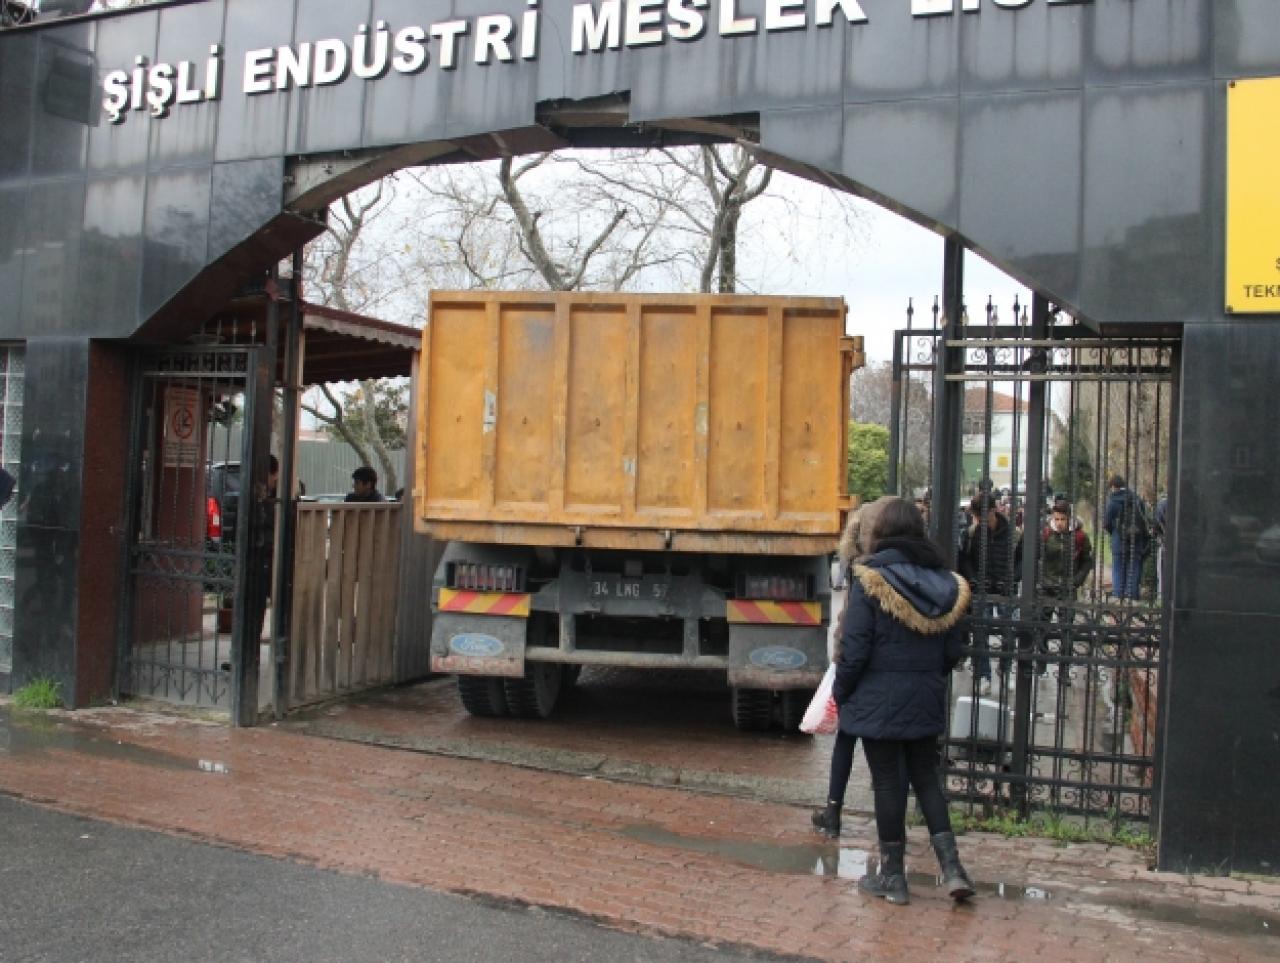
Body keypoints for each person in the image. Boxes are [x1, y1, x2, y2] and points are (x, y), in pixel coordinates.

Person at [834, 497, 974, 905]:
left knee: (888, 782)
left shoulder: (869, 579)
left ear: (881, 534)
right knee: (926, 777)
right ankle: (953, 869)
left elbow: (854, 650)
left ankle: (893, 876)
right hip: (925, 695)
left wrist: (842, 692)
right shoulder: (947, 583)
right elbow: (953, 652)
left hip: (878, 696)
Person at [811, 496, 894, 838]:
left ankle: (833, 811)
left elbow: (849, 626)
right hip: (887, 670)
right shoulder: (890, 568)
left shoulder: (859, 568)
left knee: (846, 740)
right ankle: (888, 818)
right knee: (887, 753)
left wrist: (841, 670)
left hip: (856, 663)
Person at [957, 492, 1022, 694]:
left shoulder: (1014, 533)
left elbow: (1023, 561)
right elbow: (965, 560)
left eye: (983, 516)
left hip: (1005, 588)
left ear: (994, 510)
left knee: (1009, 632)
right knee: (980, 631)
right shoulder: (971, 533)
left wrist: (1013, 578)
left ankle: (1005, 669)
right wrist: (974, 578)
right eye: (977, 517)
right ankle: (983, 674)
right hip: (982, 590)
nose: (980, 521)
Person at [1036, 500, 1093, 679]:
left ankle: (1064, 671)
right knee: (1043, 627)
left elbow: (1086, 561)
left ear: (1069, 519)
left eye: (1063, 519)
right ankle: (1041, 664)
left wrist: (1076, 581)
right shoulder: (1045, 534)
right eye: (1057, 518)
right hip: (1047, 588)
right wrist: (1041, 580)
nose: (1059, 522)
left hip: (1068, 588)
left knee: (1066, 630)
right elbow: (1036, 558)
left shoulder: (1079, 537)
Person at [1102, 475, 1150, 601]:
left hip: (1119, 541)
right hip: (1136, 539)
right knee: (1134, 569)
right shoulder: (1137, 499)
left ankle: (1119, 598)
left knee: (1118, 569)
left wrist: (1115, 532)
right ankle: (1132, 598)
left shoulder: (1112, 502)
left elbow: (1106, 523)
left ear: (1113, 487)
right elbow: (1144, 521)